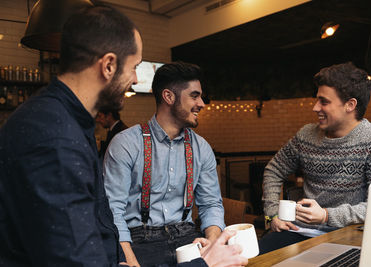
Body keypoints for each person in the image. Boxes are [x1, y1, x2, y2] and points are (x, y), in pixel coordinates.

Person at [0, 5, 247, 267]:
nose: (134, 80)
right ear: (108, 65)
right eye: (134, 67)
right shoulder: (56, 138)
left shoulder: (62, 121)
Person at [258, 62, 371, 254]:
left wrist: (326, 215)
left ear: (350, 105)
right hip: (299, 231)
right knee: (251, 258)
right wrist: (272, 214)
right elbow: (273, 170)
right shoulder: (306, 136)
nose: (315, 108)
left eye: (324, 101)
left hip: (352, 234)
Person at [103, 62, 225, 266]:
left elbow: (211, 203)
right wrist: (131, 262)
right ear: (168, 97)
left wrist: (211, 244)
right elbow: (113, 211)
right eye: (194, 96)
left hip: (188, 239)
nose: (202, 104)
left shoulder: (201, 147)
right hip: (139, 243)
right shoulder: (126, 144)